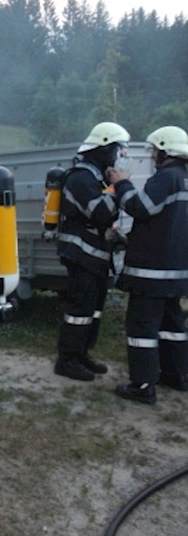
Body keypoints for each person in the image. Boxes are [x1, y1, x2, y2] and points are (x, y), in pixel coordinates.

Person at [107, 125, 188, 405]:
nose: (152, 156)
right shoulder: (185, 177)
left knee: (142, 327)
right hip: (176, 272)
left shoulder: (166, 177)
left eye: (154, 150)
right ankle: (177, 375)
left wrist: (121, 183)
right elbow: (166, 223)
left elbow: (141, 207)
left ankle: (142, 386)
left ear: (166, 150)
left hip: (151, 273)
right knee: (172, 325)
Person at [54, 121, 132, 381]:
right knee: (80, 308)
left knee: (94, 309)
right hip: (81, 254)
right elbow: (100, 213)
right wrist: (118, 187)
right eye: (116, 150)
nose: (117, 156)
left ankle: (82, 353)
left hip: (95, 255)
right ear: (103, 148)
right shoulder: (80, 178)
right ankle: (66, 360)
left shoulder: (95, 177)